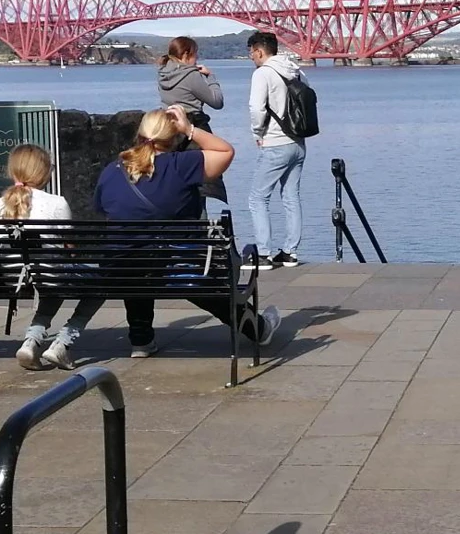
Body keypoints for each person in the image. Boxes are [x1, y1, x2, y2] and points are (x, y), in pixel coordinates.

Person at [30, 107, 279, 369]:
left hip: (124, 270)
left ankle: (141, 340)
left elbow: (104, 211)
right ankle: (258, 328)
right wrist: (190, 129)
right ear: (173, 138)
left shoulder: (113, 170)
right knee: (185, 270)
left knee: (135, 255)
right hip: (178, 268)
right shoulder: (182, 165)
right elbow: (226, 152)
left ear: (139, 135)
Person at [0, 145, 80, 370]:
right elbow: (70, 245)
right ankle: (61, 344)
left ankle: (31, 342)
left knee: (52, 275)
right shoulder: (56, 202)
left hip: (14, 276)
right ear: (44, 172)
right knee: (99, 282)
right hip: (48, 274)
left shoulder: (1, 203)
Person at [246, 31, 306, 268]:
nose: (251, 57)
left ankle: (263, 254)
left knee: (258, 198)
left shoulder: (263, 73)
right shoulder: (296, 70)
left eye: (251, 53)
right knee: (291, 196)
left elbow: (256, 108)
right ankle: (290, 253)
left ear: (259, 51)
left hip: (275, 142)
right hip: (298, 143)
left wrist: (257, 134)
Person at [157, 36, 227, 204]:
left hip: (169, 131)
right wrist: (211, 77)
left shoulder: (162, 74)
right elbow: (217, 102)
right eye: (196, 55)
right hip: (192, 131)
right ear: (187, 54)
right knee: (198, 188)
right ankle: (199, 228)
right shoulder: (191, 76)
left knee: (177, 186)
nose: (197, 59)